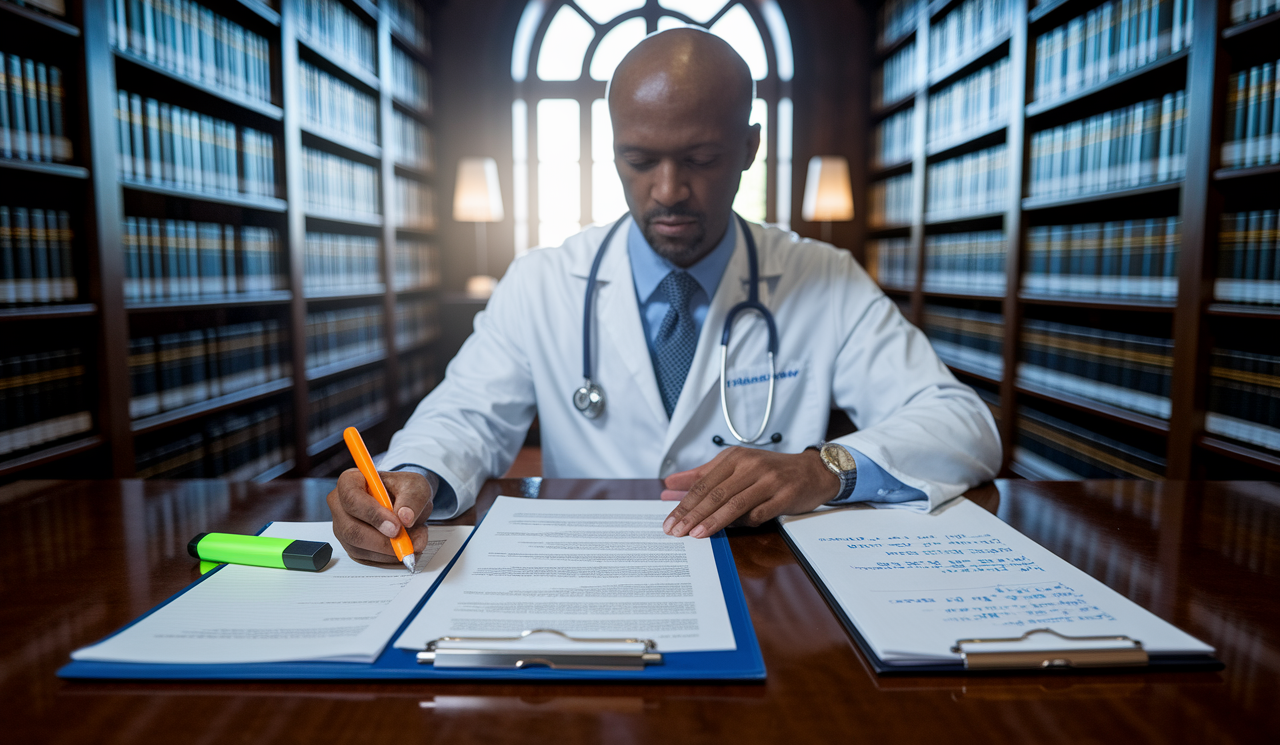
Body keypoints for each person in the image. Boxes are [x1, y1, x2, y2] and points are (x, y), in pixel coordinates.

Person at [329, 29, 1001, 565]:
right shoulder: (541, 281)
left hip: (766, 579)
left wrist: (826, 468)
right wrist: (412, 478)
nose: (669, 191)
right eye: (640, 160)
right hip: (591, 575)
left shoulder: (821, 276)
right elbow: (467, 417)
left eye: (702, 159)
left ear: (748, 147)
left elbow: (962, 425)